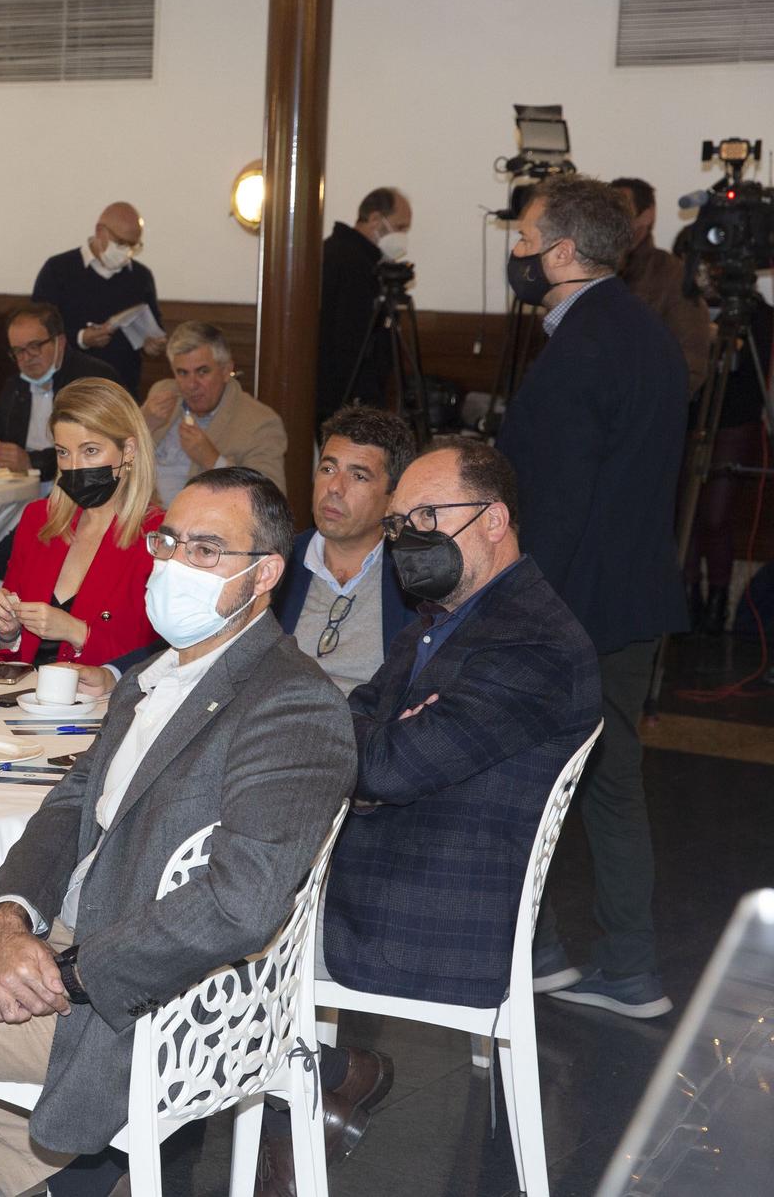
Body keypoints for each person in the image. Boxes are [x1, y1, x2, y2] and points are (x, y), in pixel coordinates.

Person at [0, 468, 355, 1196]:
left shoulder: (292, 702)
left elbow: (239, 901)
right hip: (79, 949)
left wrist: (67, 975)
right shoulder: (154, 676)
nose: (174, 564)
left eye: (207, 551)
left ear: (264, 573)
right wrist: (10, 919)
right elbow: (68, 807)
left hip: (143, 1002)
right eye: (169, 542)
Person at [255, 440, 602, 1192]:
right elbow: (351, 722)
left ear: (494, 520)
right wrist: (378, 744)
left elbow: (381, 766)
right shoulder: (443, 619)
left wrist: (374, 754)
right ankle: (320, 1090)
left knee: (211, 935)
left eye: (428, 516)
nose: (411, 536)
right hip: (387, 863)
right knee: (201, 895)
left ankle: (293, 1111)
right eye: (402, 520)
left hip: (426, 909)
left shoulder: (530, 642)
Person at [496, 174, 687, 1019]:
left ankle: (536, 952)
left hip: (574, 604)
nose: (515, 250)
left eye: (525, 237)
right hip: (634, 596)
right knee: (611, 784)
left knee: (528, 780)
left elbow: (561, 503)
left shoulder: (580, 350)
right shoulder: (644, 332)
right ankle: (628, 966)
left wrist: (519, 611)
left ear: (564, 252)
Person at [0, 377, 162, 677]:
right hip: (27, 699)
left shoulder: (157, 537)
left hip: (105, 707)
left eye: (90, 451)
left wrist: (78, 632)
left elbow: (160, 656)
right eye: (63, 452)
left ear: (129, 450)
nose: (74, 466)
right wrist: (7, 632)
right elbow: (1, 648)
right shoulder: (40, 519)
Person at [270, 406, 418, 695]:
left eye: (359, 476)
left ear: (394, 497)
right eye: (328, 469)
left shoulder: (413, 577)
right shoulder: (275, 564)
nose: (335, 488)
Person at [683, 295, 771, 633]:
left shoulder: (758, 314)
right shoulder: (686, 306)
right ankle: (689, 598)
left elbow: (753, 370)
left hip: (735, 420)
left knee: (715, 515)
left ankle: (718, 600)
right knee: (686, 513)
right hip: (688, 416)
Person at [0, 303, 116, 481]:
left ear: (60, 342)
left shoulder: (93, 380)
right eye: (18, 351)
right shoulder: (16, 385)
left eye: (34, 346)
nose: (26, 358)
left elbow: (97, 447)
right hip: (23, 485)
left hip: (80, 488)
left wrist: (32, 461)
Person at [141, 322, 287, 502]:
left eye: (202, 372)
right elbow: (118, 459)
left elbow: (271, 500)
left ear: (226, 371)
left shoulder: (261, 422)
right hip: (142, 516)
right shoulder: (161, 393)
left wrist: (212, 460)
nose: (191, 385)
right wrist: (143, 424)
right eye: (182, 373)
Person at [30, 201, 164, 393]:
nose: (127, 251)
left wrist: (152, 346)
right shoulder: (58, 269)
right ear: (100, 231)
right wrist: (81, 337)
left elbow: (154, 327)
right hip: (70, 386)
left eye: (134, 246)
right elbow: (37, 328)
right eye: (121, 243)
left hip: (122, 387)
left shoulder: (141, 276)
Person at [316, 187, 412, 421]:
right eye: (399, 227)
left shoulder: (338, 251)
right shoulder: (352, 263)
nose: (401, 236)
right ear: (375, 219)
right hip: (345, 396)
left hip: (334, 392)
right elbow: (351, 338)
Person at [612, 177, 711, 395]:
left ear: (647, 215)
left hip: (640, 411)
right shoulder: (590, 269)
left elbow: (691, 366)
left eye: (621, 208)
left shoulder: (672, 275)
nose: (613, 218)